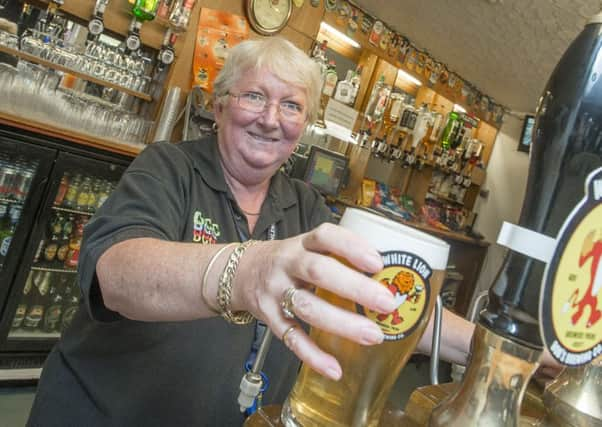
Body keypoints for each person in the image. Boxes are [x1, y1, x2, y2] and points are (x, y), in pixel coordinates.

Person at [26, 37, 510, 426]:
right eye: (255, 96)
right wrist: (246, 272)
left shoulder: (307, 208)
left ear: (305, 126)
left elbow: (381, 303)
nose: (271, 119)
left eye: (292, 106)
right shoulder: (168, 167)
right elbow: (116, 276)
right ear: (218, 107)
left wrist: (497, 351)